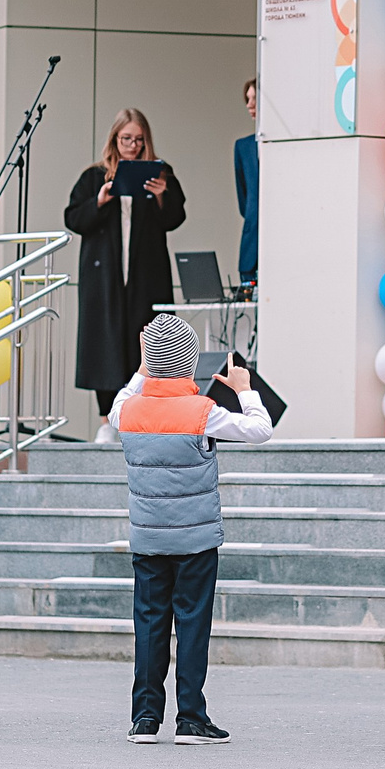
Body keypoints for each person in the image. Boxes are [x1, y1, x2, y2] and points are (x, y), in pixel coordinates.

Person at [115, 314, 270, 745]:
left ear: (149, 361)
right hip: (196, 540)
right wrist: (244, 389)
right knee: (192, 625)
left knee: (149, 625)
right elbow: (260, 430)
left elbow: (125, 395)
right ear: (191, 362)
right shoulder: (204, 412)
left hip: (148, 538)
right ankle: (191, 719)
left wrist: (145, 369)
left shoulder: (126, 411)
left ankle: (145, 719)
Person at [67, 109, 189, 417]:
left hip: (145, 275)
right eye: (126, 139)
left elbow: (175, 218)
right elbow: (73, 219)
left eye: (138, 140)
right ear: (114, 139)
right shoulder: (94, 176)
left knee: (146, 340)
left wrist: (161, 196)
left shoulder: (161, 174)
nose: (132, 146)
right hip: (105, 275)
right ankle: (107, 418)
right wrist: (99, 201)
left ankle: (145, 414)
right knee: (105, 342)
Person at [234, 78, 260, 286]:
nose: (249, 104)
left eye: (255, 98)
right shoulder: (243, 147)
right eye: (247, 99)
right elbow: (244, 202)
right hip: (251, 250)